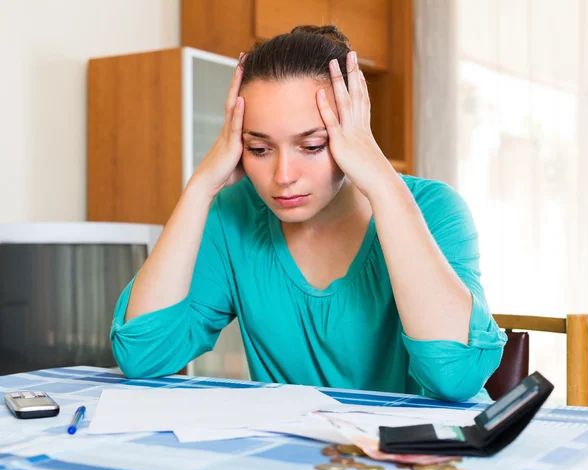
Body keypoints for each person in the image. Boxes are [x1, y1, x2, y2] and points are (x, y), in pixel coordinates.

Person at [110, 25, 506, 402]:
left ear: (354, 131)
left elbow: (456, 377)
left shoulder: (435, 210)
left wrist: (383, 184)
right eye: (259, 150)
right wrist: (200, 188)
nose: (283, 177)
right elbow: (142, 356)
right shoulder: (232, 215)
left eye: (312, 145)